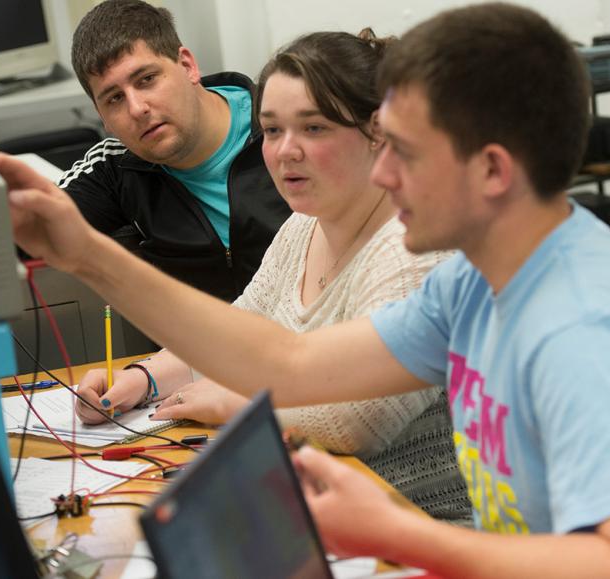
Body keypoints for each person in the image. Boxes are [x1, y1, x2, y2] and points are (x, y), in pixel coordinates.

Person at [0, 3, 610, 578]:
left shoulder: (581, 327)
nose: (379, 173)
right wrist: (85, 254)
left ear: (493, 170)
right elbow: (291, 361)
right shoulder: (475, 285)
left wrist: (393, 532)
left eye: (402, 151)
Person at [69, 29, 472, 524]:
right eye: (273, 130)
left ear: (378, 132)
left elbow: (355, 422)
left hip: (424, 532)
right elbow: (236, 331)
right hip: (318, 514)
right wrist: (143, 379)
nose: (285, 152)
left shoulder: (421, 250)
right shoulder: (303, 228)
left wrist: (234, 402)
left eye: (314, 128)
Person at [59, 0, 290, 301]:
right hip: (192, 347)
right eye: (114, 98)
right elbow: (20, 230)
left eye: (147, 80)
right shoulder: (116, 168)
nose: (137, 109)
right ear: (101, 116)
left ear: (187, 66)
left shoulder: (283, 126)